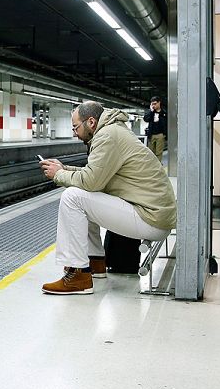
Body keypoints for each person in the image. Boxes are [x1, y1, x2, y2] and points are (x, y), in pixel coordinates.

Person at [38, 101, 176, 295]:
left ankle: (78, 275)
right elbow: (96, 175)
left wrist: (59, 175)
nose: (75, 133)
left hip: (151, 218)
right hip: (154, 214)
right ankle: (95, 261)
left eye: (76, 127)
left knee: (72, 197)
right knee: (82, 194)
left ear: (91, 122)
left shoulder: (107, 136)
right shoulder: (112, 131)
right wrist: (64, 169)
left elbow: (91, 182)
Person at [143, 96, 167, 162]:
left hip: (160, 135)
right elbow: (146, 119)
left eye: (155, 104)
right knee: (151, 152)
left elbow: (167, 123)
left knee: (159, 152)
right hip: (151, 135)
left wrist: (165, 134)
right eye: (152, 104)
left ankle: (158, 165)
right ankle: (152, 165)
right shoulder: (150, 112)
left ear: (159, 103)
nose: (154, 105)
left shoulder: (164, 113)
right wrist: (151, 111)